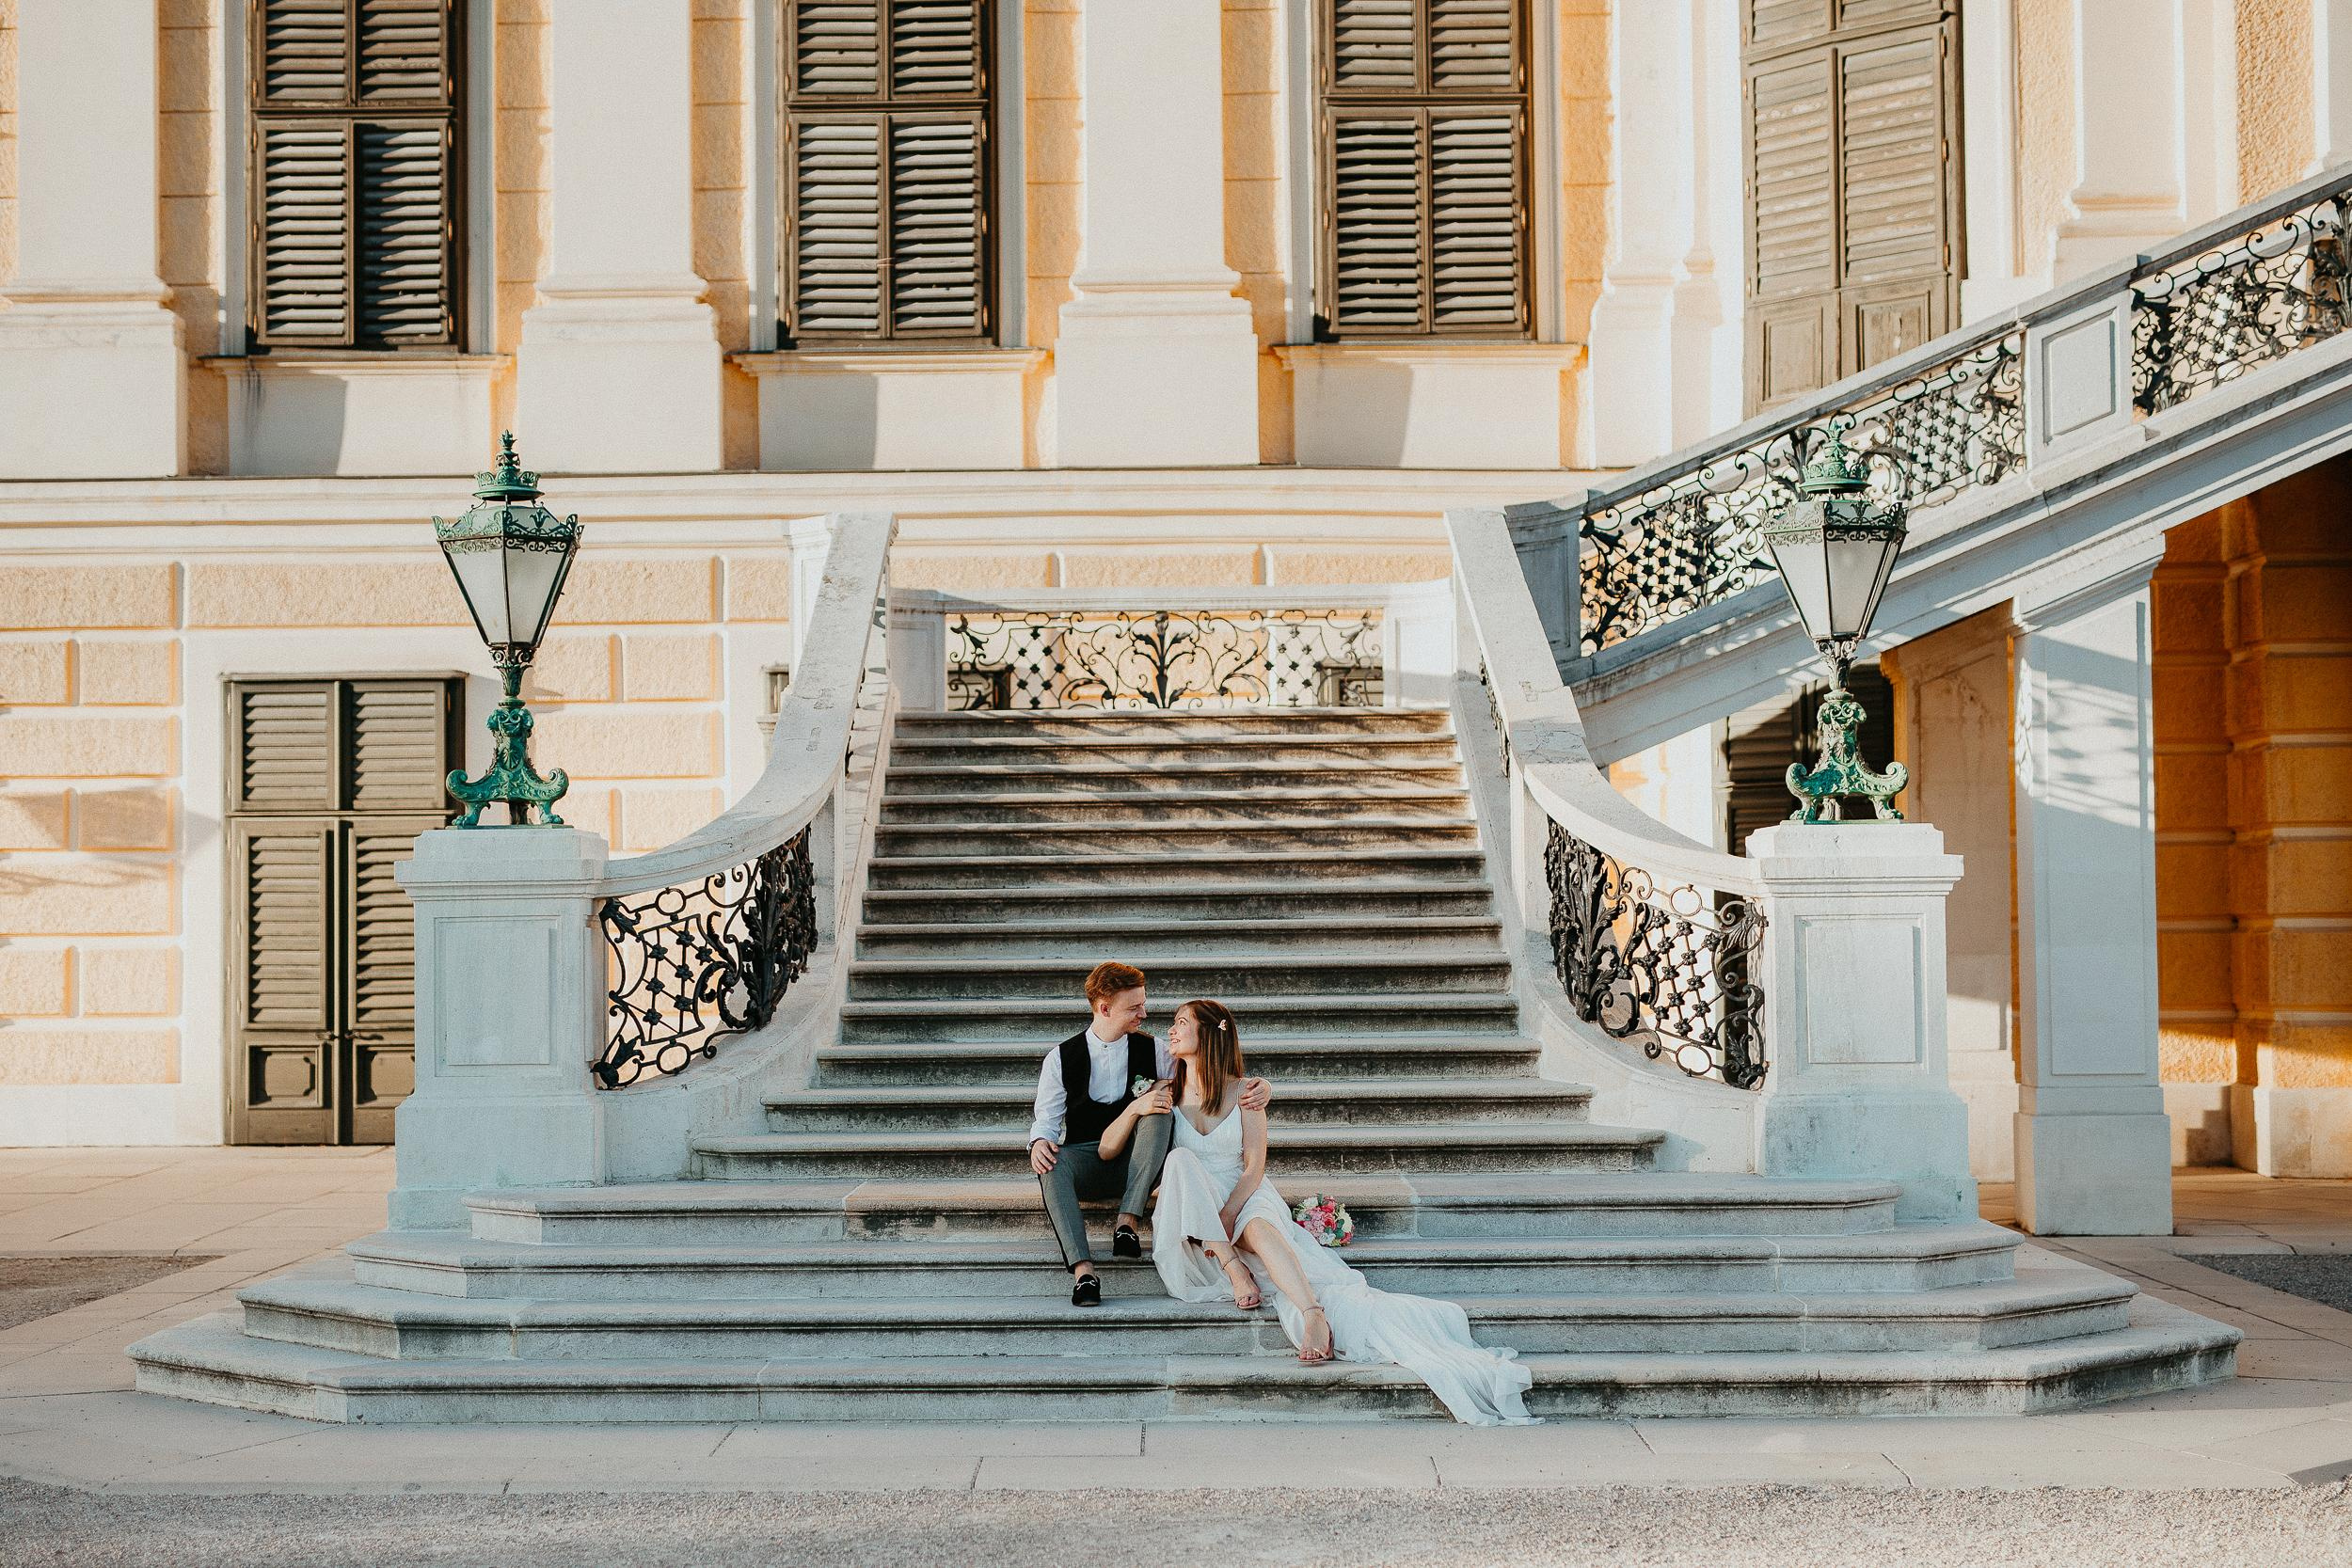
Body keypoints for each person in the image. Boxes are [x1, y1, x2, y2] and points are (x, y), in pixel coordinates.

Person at [1140, 998, 1539, 1426]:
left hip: (1242, 1189)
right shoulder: (1164, 1092)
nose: (1172, 1029)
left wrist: (1231, 1213)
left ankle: (1312, 1313)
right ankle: (1234, 1267)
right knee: (1180, 1163)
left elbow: (1255, 1165)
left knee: (1259, 1225)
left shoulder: (1244, 1092)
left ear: (1209, 1034)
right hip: (1193, 1197)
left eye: (1182, 1022)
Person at [1027, 962, 1271, 1307]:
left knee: (1158, 1113)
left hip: (1146, 1163)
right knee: (1049, 1163)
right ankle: (1084, 1272)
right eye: (1135, 1006)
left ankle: (1127, 1221)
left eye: (1143, 1003)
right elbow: (1047, 1121)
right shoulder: (1061, 1059)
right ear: (1105, 1008)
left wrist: (1260, 1087)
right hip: (1089, 1159)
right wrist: (1038, 1142)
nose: (1144, 1012)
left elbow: (1205, 1073)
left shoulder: (1155, 1050)